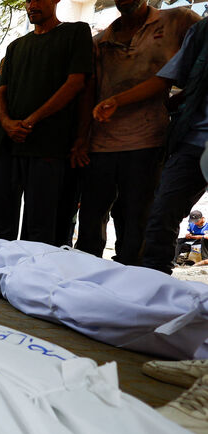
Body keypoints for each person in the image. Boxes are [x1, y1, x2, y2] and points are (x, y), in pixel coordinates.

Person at [72, 0, 199, 265]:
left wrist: (184, 99)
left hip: (148, 141)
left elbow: (195, 64)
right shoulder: (101, 42)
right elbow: (88, 93)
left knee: (137, 226)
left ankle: (133, 289)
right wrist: (81, 139)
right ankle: (84, 284)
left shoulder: (176, 20)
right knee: (91, 224)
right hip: (101, 144)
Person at [0, 0, 93, 245]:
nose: (32, 4)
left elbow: (77, 83)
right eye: (28, 0)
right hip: (9, 143)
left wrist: (31, 121)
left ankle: (31, 280)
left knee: (40, 226)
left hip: (49, 144)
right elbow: (1, 92)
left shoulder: (75, 32)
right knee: (0, 221)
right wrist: (6, 123)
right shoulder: (16, 46)